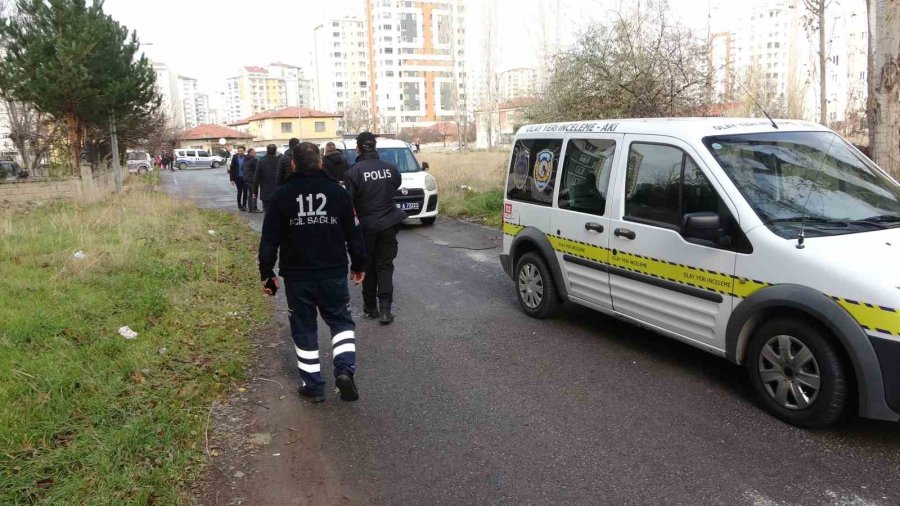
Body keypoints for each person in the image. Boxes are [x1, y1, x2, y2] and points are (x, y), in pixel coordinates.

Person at [258, 142, 366, 403]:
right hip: (332, 272)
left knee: (304, 328)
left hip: (297, 277)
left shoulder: (281, 196)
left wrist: (267, 274)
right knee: (341, 322)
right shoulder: (337, 193)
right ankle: (344, 370)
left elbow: (269, 241)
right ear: (320, 162)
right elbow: (354, 233)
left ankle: (313, 386)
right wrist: (359, 265)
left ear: (293, 164)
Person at [342, 132, 407, 324]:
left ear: (359, 148)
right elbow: (395, 186)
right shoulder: (390, 168)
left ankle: (371, 308)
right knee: (385, 266)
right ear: (375, 147)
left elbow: (349, 202)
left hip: (366, 227)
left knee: (368, 266)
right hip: (388, 224)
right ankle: (386, 310)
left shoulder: (353, 172)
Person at [254, 144, 281, 213]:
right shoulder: (280, 161)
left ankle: (268, 223)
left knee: (267, 211)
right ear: (275, 151)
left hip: (265, 192)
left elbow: (256, 178)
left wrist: (255, 192)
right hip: (278, 191)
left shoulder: (261, 161)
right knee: (277, 212)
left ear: (267, 150)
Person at [229, 146, 249, 211]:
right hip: (237, 178)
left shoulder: (246, 157)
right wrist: (231, 179)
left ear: (244, 151)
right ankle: (239, 205)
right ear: (238, 151)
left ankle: (244, 205)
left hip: (245, 178)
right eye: (239, 151)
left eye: (242, 151)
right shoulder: (235, 157)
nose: (240, 152)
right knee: (239, 191)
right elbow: (232, 169)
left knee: (245, 191)